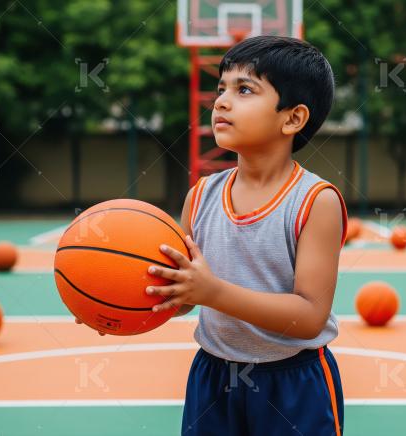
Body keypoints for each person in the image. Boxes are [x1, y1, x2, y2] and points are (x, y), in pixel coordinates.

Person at [146, 35, 347, 436]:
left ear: (292, 118)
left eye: (244, 90)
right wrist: (117, 306)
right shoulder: (200, 196)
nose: (220, 101)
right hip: (213, 376)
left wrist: (212, 293)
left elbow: (309, 317)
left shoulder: (315, 201)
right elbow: (182, 296)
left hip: (293, 382)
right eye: (221, 88)